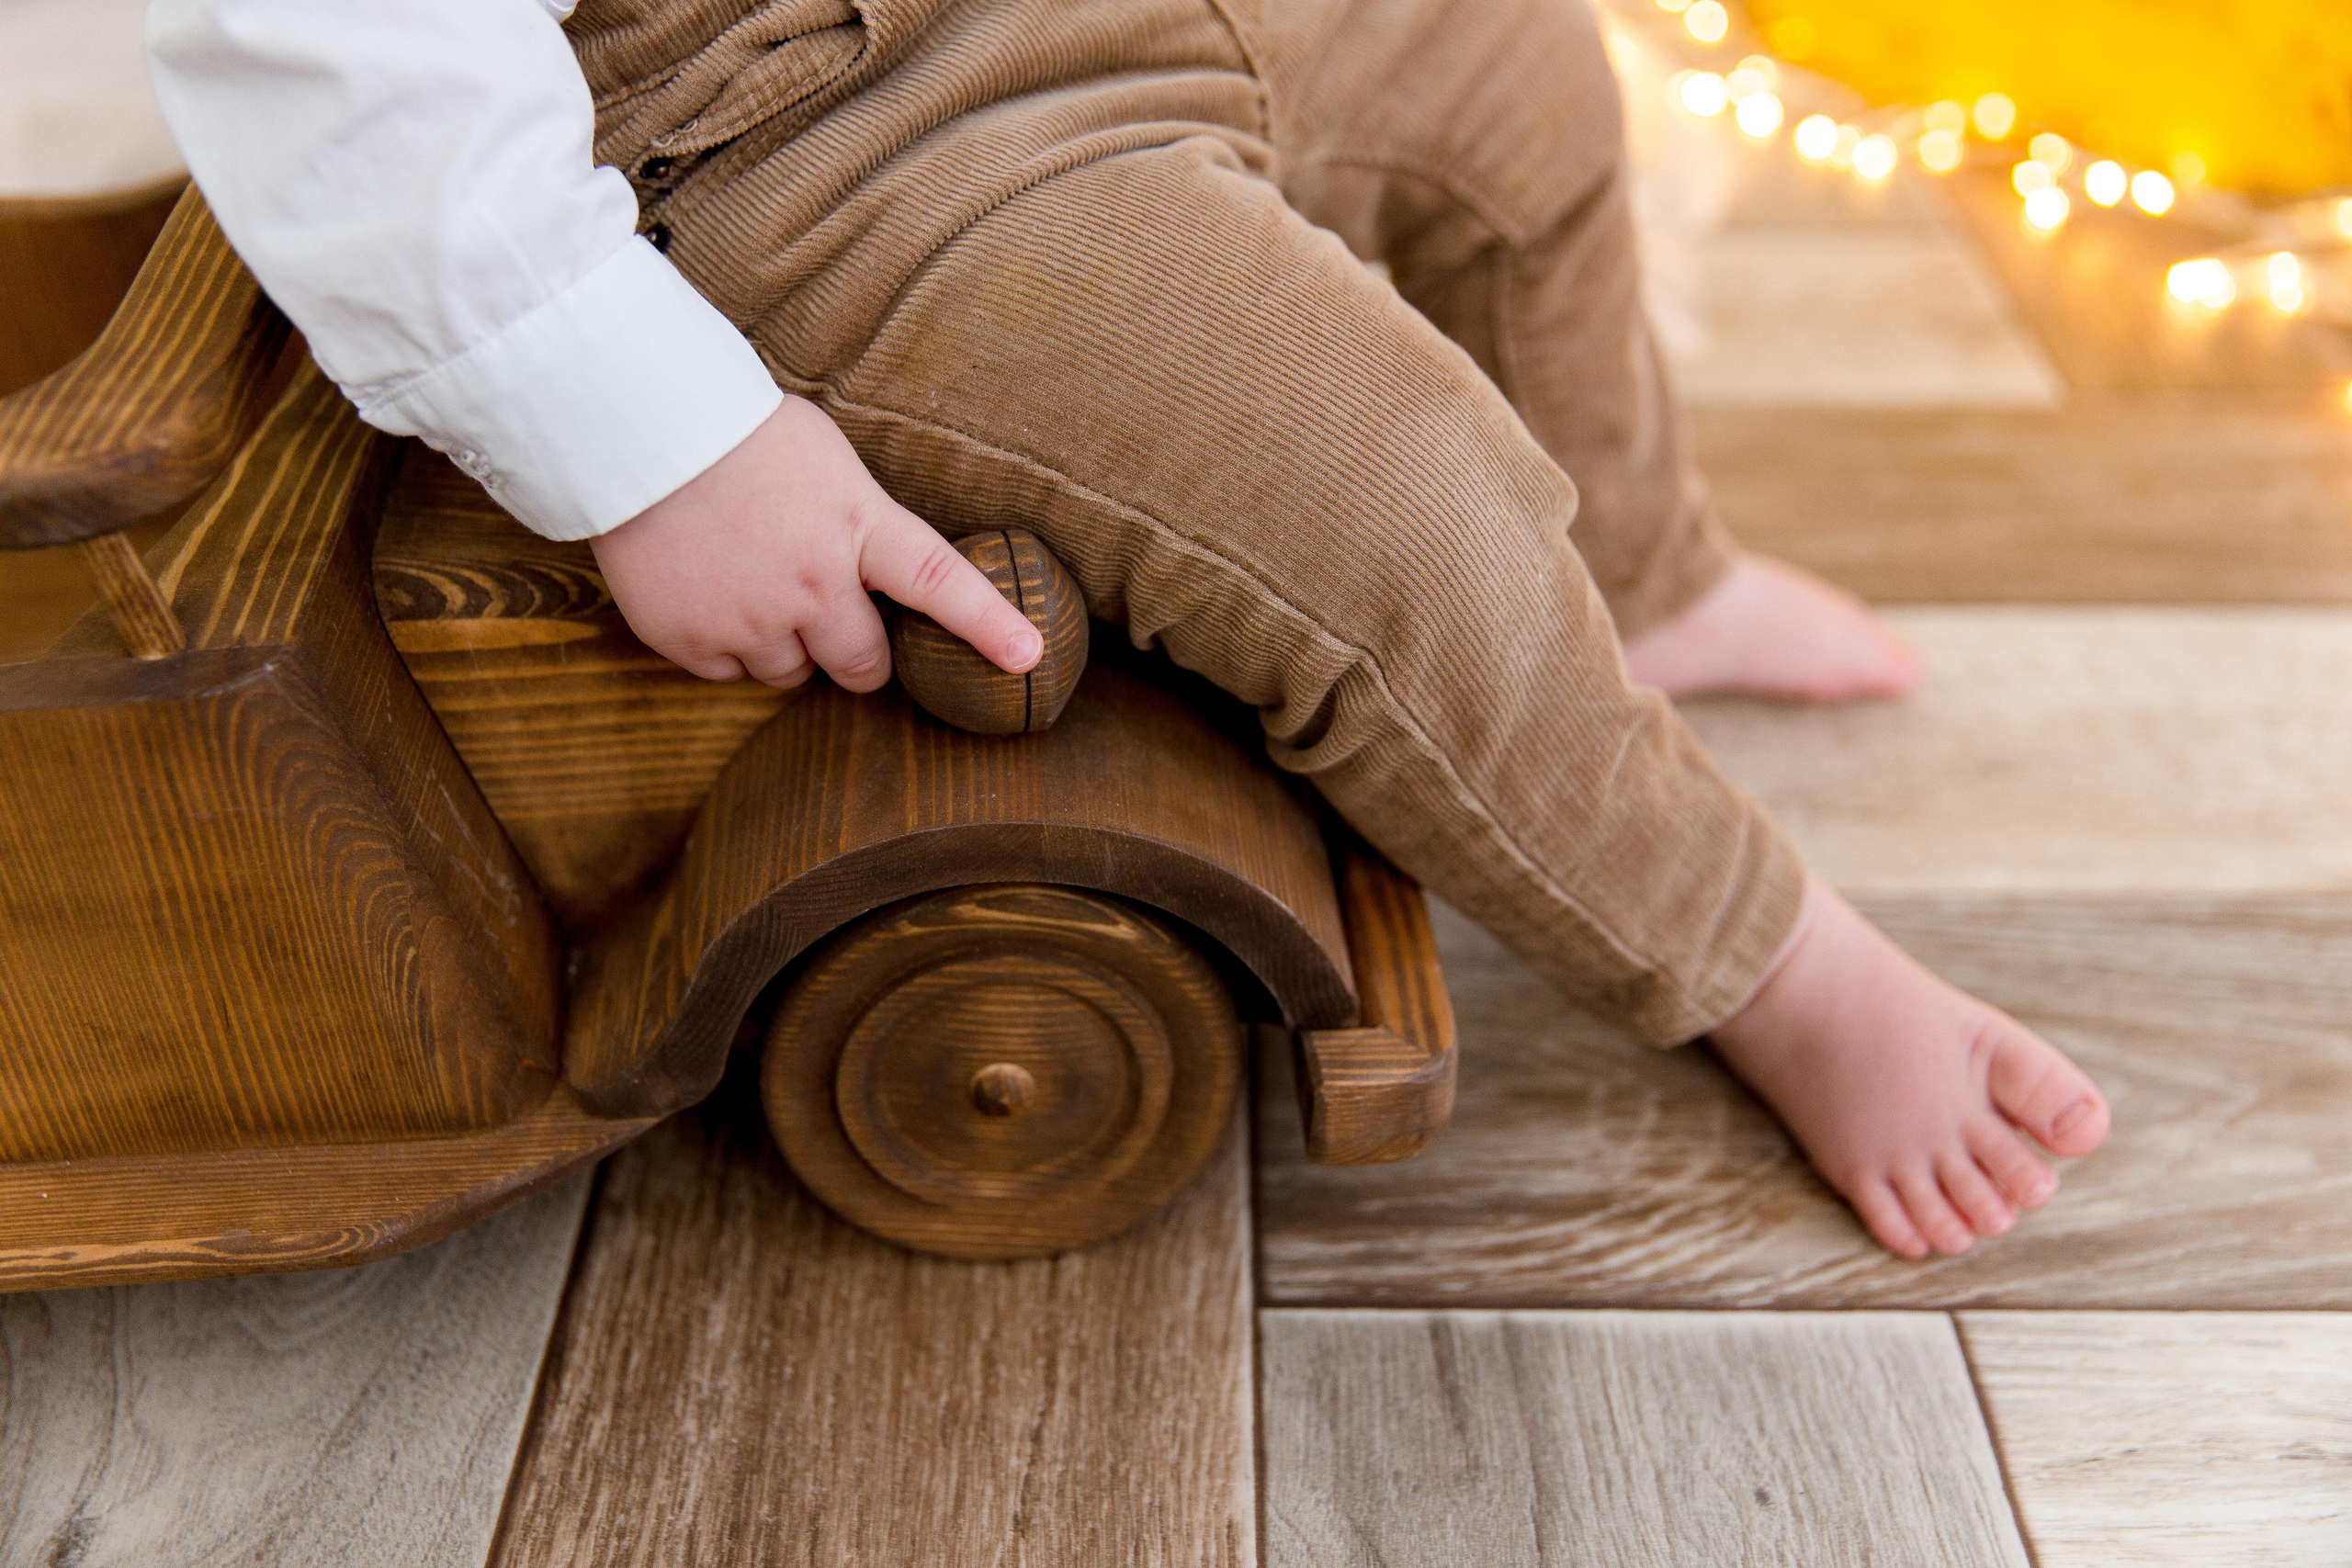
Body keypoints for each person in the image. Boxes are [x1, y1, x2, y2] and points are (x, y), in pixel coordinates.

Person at [145, 0, 2107, 1258]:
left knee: (1520, 68)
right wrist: (641, 427)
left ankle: (1647, 571)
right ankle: (1768, 963)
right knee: (1391, 488)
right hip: (791, 116)